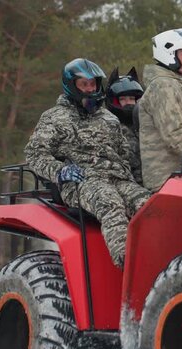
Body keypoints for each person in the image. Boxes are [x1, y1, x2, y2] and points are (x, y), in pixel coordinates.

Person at [24, 58, 151, 268]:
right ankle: (130, 266)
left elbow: (124, 153)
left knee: (149, 206)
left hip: (118, 178)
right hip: (83, 181)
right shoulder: (55, 118)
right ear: (71, 85)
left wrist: (135, 178)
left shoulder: (109, 119)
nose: (90, 89)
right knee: (110, 204)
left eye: (93, 84)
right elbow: (34, 154)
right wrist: (60, 171)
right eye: (84, 84)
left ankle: (159, 259)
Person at [137, 28, 182, 192]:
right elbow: (174, 132)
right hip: (169, 180)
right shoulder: (163, 86)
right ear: (169, 52)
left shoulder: (178, 84)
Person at [105, 67, 144, 185]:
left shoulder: (146, 125)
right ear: (114, 101)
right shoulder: (107, 128)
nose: (128, 102)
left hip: (150, 182)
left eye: (132, 98)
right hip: (124, 185)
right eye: (123, 99)